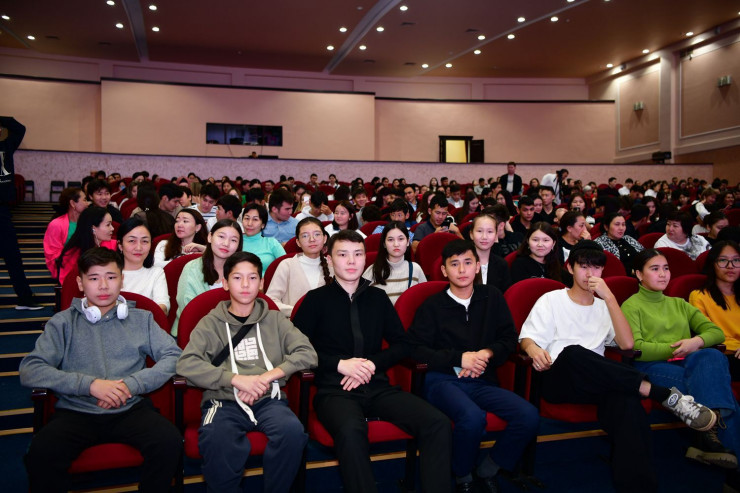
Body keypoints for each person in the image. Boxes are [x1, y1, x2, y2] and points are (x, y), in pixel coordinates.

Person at [520, 241, 718, 493]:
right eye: (584, 267)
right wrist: (533, 349)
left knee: (628, 403)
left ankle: (639, 487)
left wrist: (610, 298)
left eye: (596, 268)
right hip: (560, 377)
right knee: (573, 352)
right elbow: (527, 338)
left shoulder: (605, 306)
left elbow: (627, 345)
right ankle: (659, 393)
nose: (590, 274)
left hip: (600, 382)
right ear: (570, 268)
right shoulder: (552, 299)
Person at [293, 230, 452, 493]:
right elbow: (297, 350)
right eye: (343, 254)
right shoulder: (315, 300)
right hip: (335, 390)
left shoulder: (377, 298)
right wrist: (340, 364)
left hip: (377, 386)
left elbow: (402, 344)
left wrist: (371, 364)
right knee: (351, 431)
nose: (351, 261)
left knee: (437, 422)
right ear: (329, 259)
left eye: (357, 254)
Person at [20, 247, 183, 492]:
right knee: (41, 454)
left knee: (169, 443)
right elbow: (31, 368)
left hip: (130, 408)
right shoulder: (62, 323)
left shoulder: (142, 319)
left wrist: (131, 385)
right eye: (94, 278)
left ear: (121, 279)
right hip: (76, 411)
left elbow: (174, 356)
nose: (104, 286)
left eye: (111, 277)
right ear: (80, 283)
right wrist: (90, 386)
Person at [176, 251, 317, 493]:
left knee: (292, 433)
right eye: (237, 278)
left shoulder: (275, 319)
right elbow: (186, 364)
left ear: (261, 283)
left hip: (268, 399)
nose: (245, 285)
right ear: (225, 283)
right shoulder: (210, 322)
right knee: (216, 440)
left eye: (252, 278)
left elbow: (307, 353)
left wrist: (265, 378)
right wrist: (236, 380)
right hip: (223, 401)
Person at [407, 240, 538, 492]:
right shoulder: (432, 305)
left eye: (468, 263)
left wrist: (487, 353)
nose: (462, 270)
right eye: (454, 264)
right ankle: (462, 474)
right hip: (443, 380)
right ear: (444, 270)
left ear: (477, 266)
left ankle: (489, 468)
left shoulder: (492, 297)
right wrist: (459, 358)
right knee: (472, 418)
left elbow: (509, 338)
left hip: (482, 378)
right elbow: (414, 348)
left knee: (528, 415)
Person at [623, 249, 740, 478]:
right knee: (717, 390)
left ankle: (708, 437)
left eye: (666, 268)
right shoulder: (631, 305)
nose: (663, 274)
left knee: (712, 356)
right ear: (639, 274)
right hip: (652, 367)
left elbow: (715, 333)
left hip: (687, 363)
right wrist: (678, 348)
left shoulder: (679, 303)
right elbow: (637, 348)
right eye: (655, 269)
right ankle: (730, 468)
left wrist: (696, 341)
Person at [173, 218, 243, 336]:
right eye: (221, 237)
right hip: (194, 333)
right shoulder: (192, 268)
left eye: (233, 240)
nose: (226, 243)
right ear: (210, 237)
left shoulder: (242, 272)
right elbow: (188, 311)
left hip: (233, 333)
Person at [690, 240, 740, 380]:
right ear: (712, 264)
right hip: (725, 355)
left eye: (736, 260)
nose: (730, 266)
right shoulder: (699, 296)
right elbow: (708, 334)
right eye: (723, 260)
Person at [266, 217, 333, 316]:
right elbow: (271, 300)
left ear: (325, 238)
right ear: (298, 242)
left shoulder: (333, 265)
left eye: (317, 234)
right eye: (305, 236)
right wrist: (297, 311)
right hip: (293, 322)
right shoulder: (287, 265)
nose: (312, 239)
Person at [362, 221, 426, 305]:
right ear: (384, 244)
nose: (396, 244)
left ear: (408, 242)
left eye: (401, 239)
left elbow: (425, 301)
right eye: (390, 240)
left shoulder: (415, 269)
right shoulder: (372, 271)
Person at [117, 218, 169, 314]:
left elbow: (163, 307)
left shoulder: (156, 273)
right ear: (120, 246)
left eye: (144, 241)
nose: (139, 247)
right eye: (132, 241)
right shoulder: (108, 273)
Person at [54, 206, 117, 284]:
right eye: (108, 225)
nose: (112, 228)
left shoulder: (114, 245)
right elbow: (68, 284)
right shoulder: (72, 254)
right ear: (93, 228)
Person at [44, 187, 89, 278]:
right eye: (84, 200)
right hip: (67, 271)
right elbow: (53, 255)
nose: (87, 203)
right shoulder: (56, 224)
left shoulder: (89, 222)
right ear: (73, 203)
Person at [241, 203, 286, 275]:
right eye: (247, 218)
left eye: (255, 219)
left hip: (267, 281)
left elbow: (286, 266)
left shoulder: (271, 243)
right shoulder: (235, 241)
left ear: (263, 225)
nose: (249, 223)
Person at [470, 214, 511, 292]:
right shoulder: (463, 262)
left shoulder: (501, 264)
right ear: (471, 234)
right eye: (479, 231)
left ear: (496, 236)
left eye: (490, 232)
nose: (484, 237)